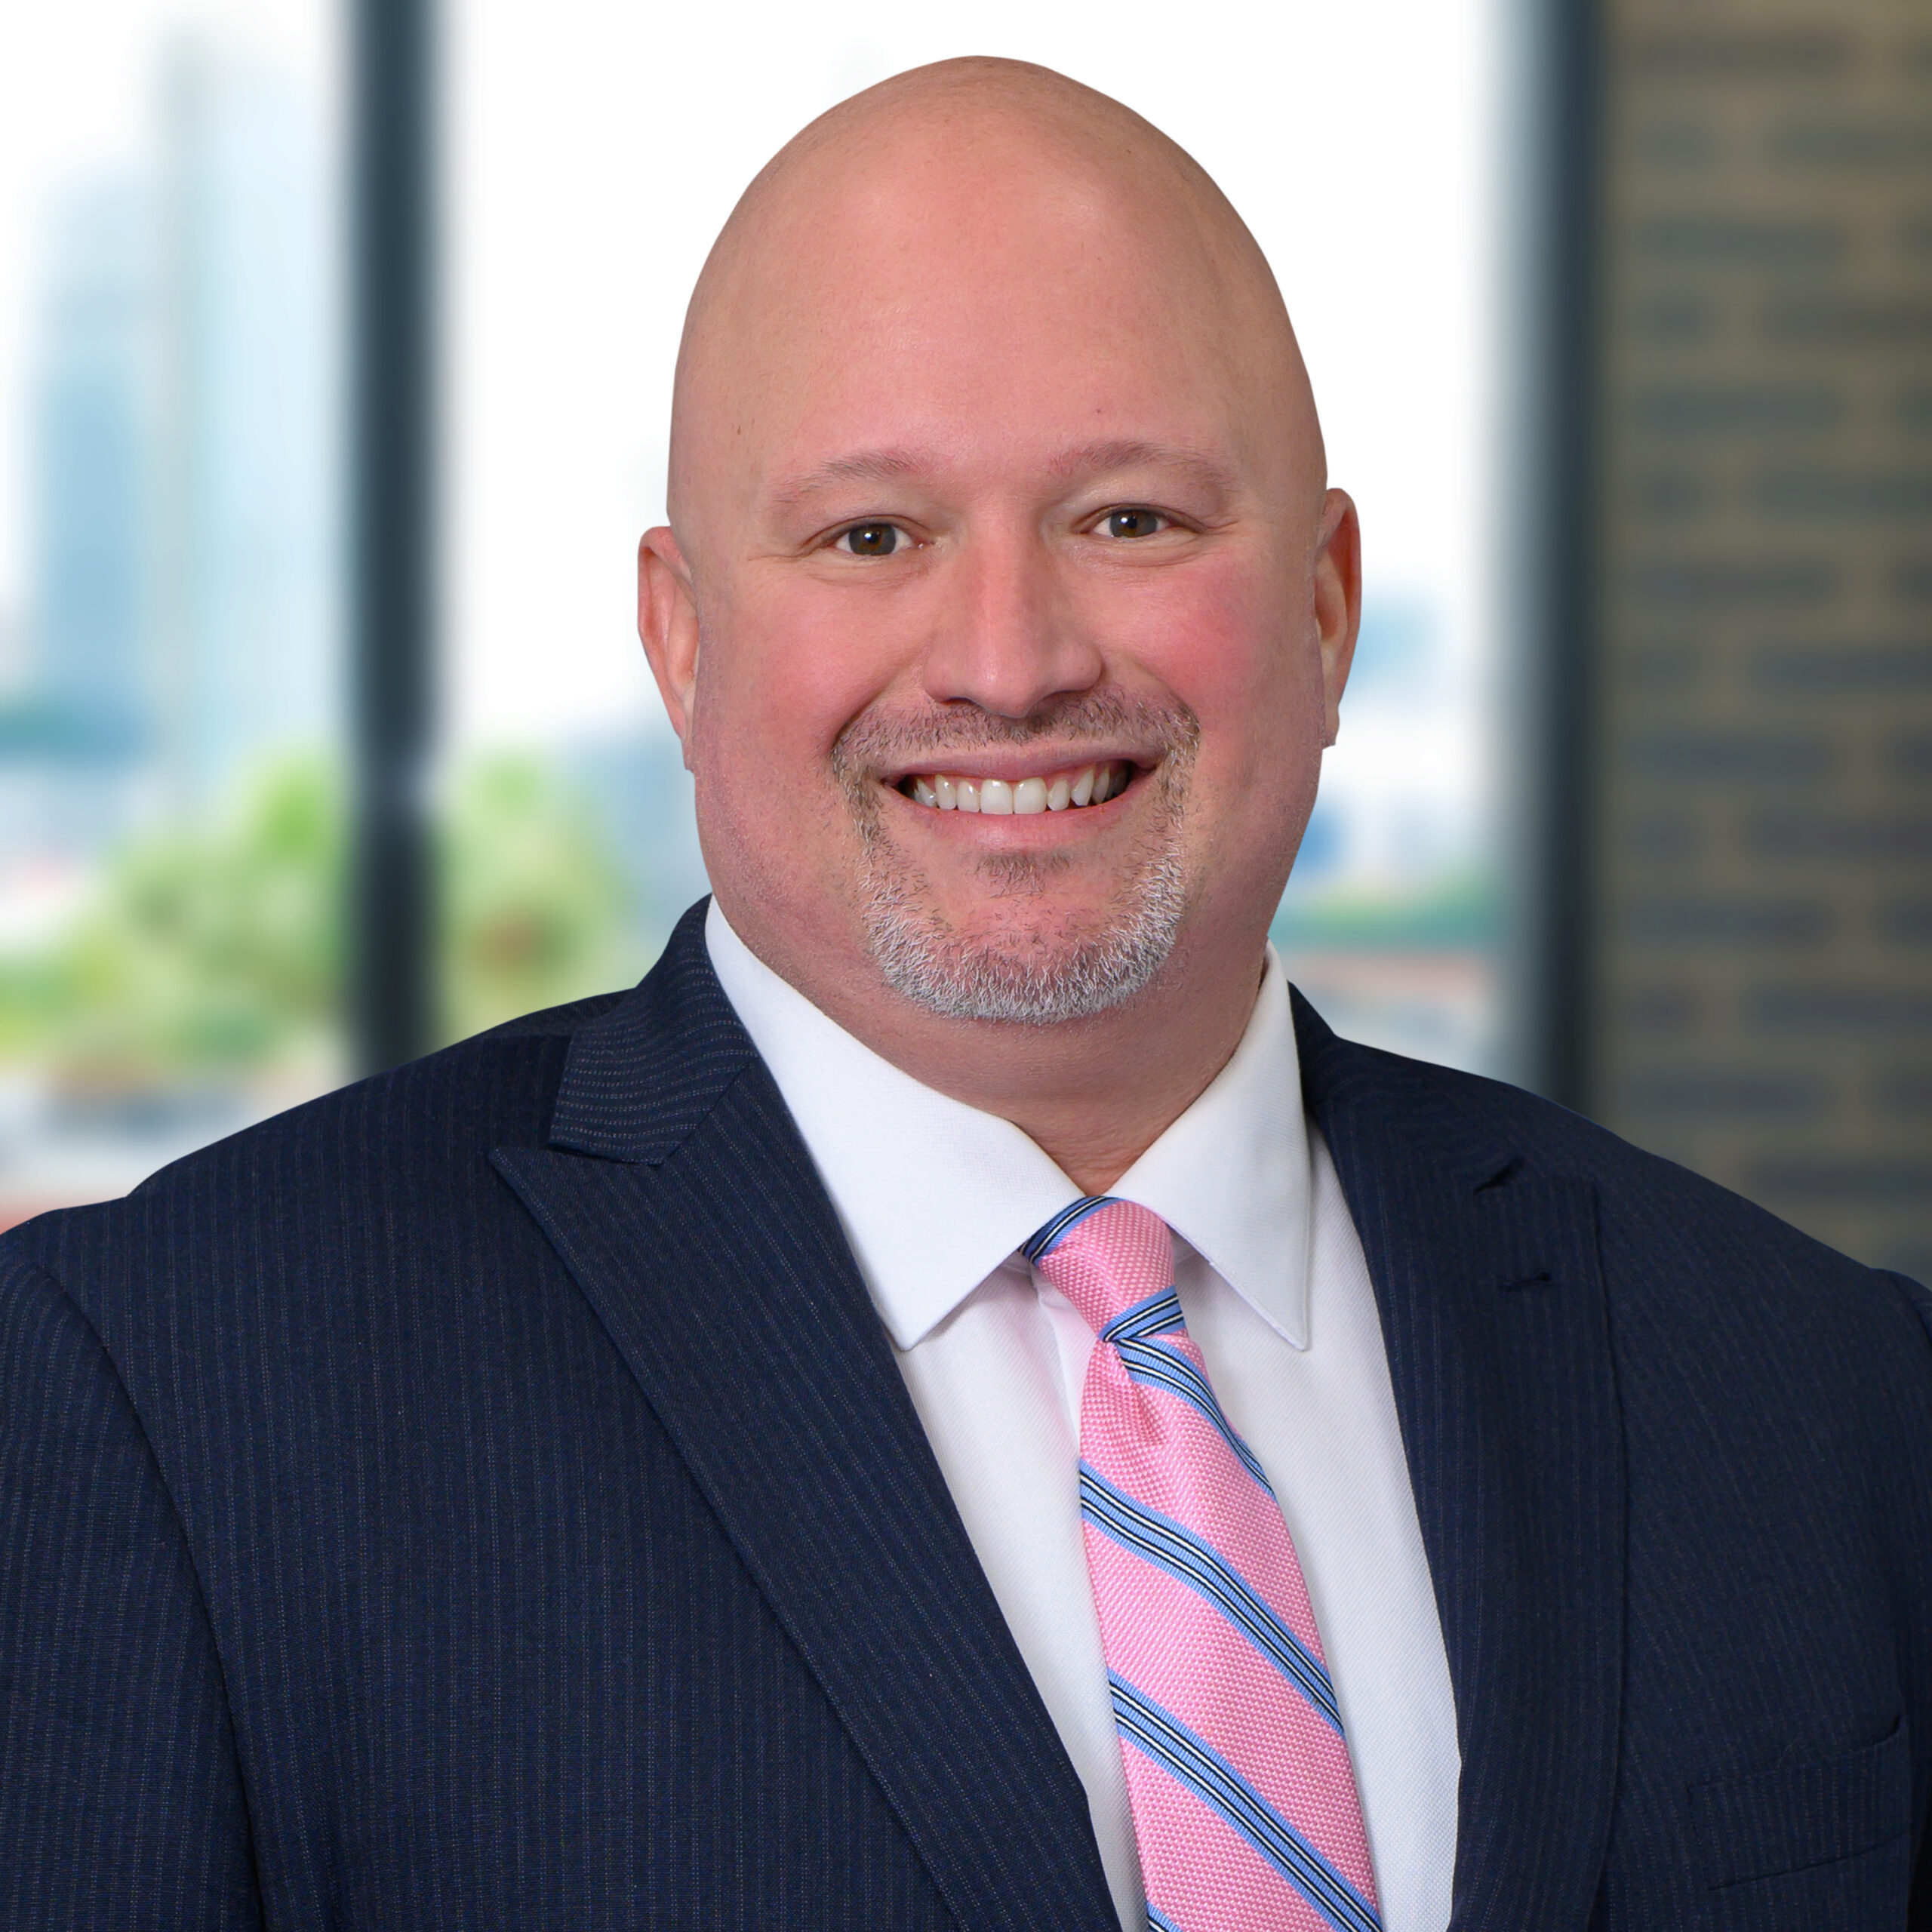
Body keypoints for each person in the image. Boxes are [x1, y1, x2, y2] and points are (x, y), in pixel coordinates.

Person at [2, 56, 1927, 1932]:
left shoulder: (1834, 1396)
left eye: (1129, 519)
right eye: (871, 536)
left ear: (1325, 606)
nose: (1008, 663)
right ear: (681, 639)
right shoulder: (168, 1395)